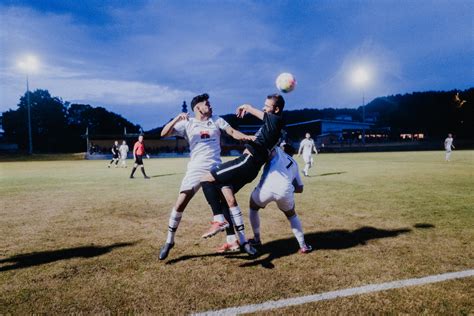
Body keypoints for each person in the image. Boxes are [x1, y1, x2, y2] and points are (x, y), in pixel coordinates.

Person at [158, 93, 255, 260]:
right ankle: (169, 241)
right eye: (207, 104)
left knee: (228, 200)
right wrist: (176, 119)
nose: (210, 106)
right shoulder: (187, 122)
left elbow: (232, 132)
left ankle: (242, 241)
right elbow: (163, 134)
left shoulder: (217, 120)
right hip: (195, 169)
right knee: (180, 203)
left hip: (215, 167)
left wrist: (248, 137)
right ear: (197, 108)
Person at [200, 93, 285, 256]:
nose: (264, 108)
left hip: (247, 162)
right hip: (250, 166)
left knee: (206, 179)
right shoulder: (272, 126)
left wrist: (247, 107)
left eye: (267, 106)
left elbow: (263, 116)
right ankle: (237, 242)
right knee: (226, 199)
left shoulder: (276, 119)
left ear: (276, 109)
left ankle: (218, 220)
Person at [248, 144, 312, 254]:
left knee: (253, 207)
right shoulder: (294, 163)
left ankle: (257, 239)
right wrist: (289, 190)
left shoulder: (277, 150)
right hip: (285, 190)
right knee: (292, 215)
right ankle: (303, 245)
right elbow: (300, 188)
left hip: (266, 187)